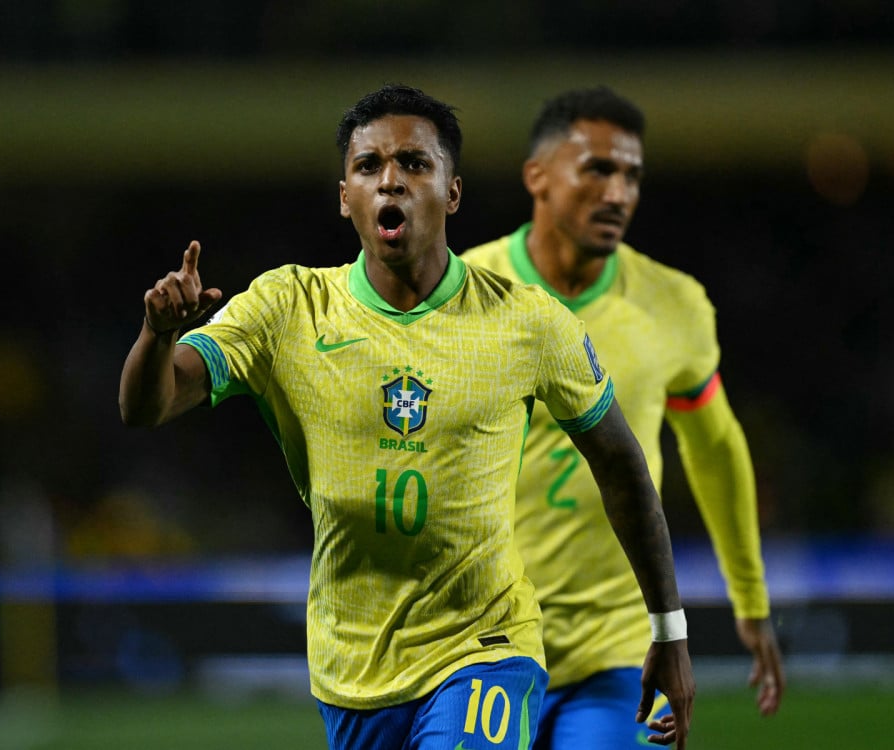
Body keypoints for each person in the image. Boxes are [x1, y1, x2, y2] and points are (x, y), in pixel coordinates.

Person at [119, 84, 694, 750]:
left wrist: (669, 631)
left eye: (414, 164)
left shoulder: (528, 324)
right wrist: (157, 334)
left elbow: (621, 462)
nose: (390, 181)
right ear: (345, 197)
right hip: (352, 668)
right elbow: (147, 406)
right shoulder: (287, 309)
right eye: (369, 167)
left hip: (486, 647)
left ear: (451, 192)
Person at [461, 86, 784, 748]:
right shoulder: (464, 293)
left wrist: (749, 598)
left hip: (619, 652)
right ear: (538, 177)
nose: (618, 193)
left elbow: (715, 448)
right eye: (598, 169)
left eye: (632, 176)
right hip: (477, 649)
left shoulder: (673, 304)